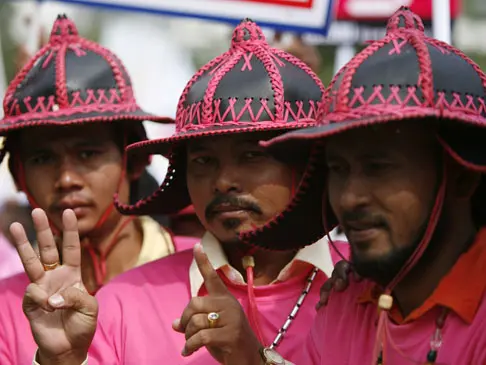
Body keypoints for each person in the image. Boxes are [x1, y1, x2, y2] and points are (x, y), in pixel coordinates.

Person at [11, 19, 349, 365]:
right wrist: (63, 360)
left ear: (308, 163)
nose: (223, 181)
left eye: (252, 155)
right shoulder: (124, 301)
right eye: (203, 160)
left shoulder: (361, 291)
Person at [253, 6, 486, 364]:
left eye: (378, 168)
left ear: (463, 176)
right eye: (338, 169)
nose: (349, 197)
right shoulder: (344, 306)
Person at [0, 15, 177, 365]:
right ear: (18, 176)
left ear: (136, 161)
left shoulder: (203, 275)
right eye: (41, 158)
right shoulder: (5, 306)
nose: (66, 178)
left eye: (88, 153)